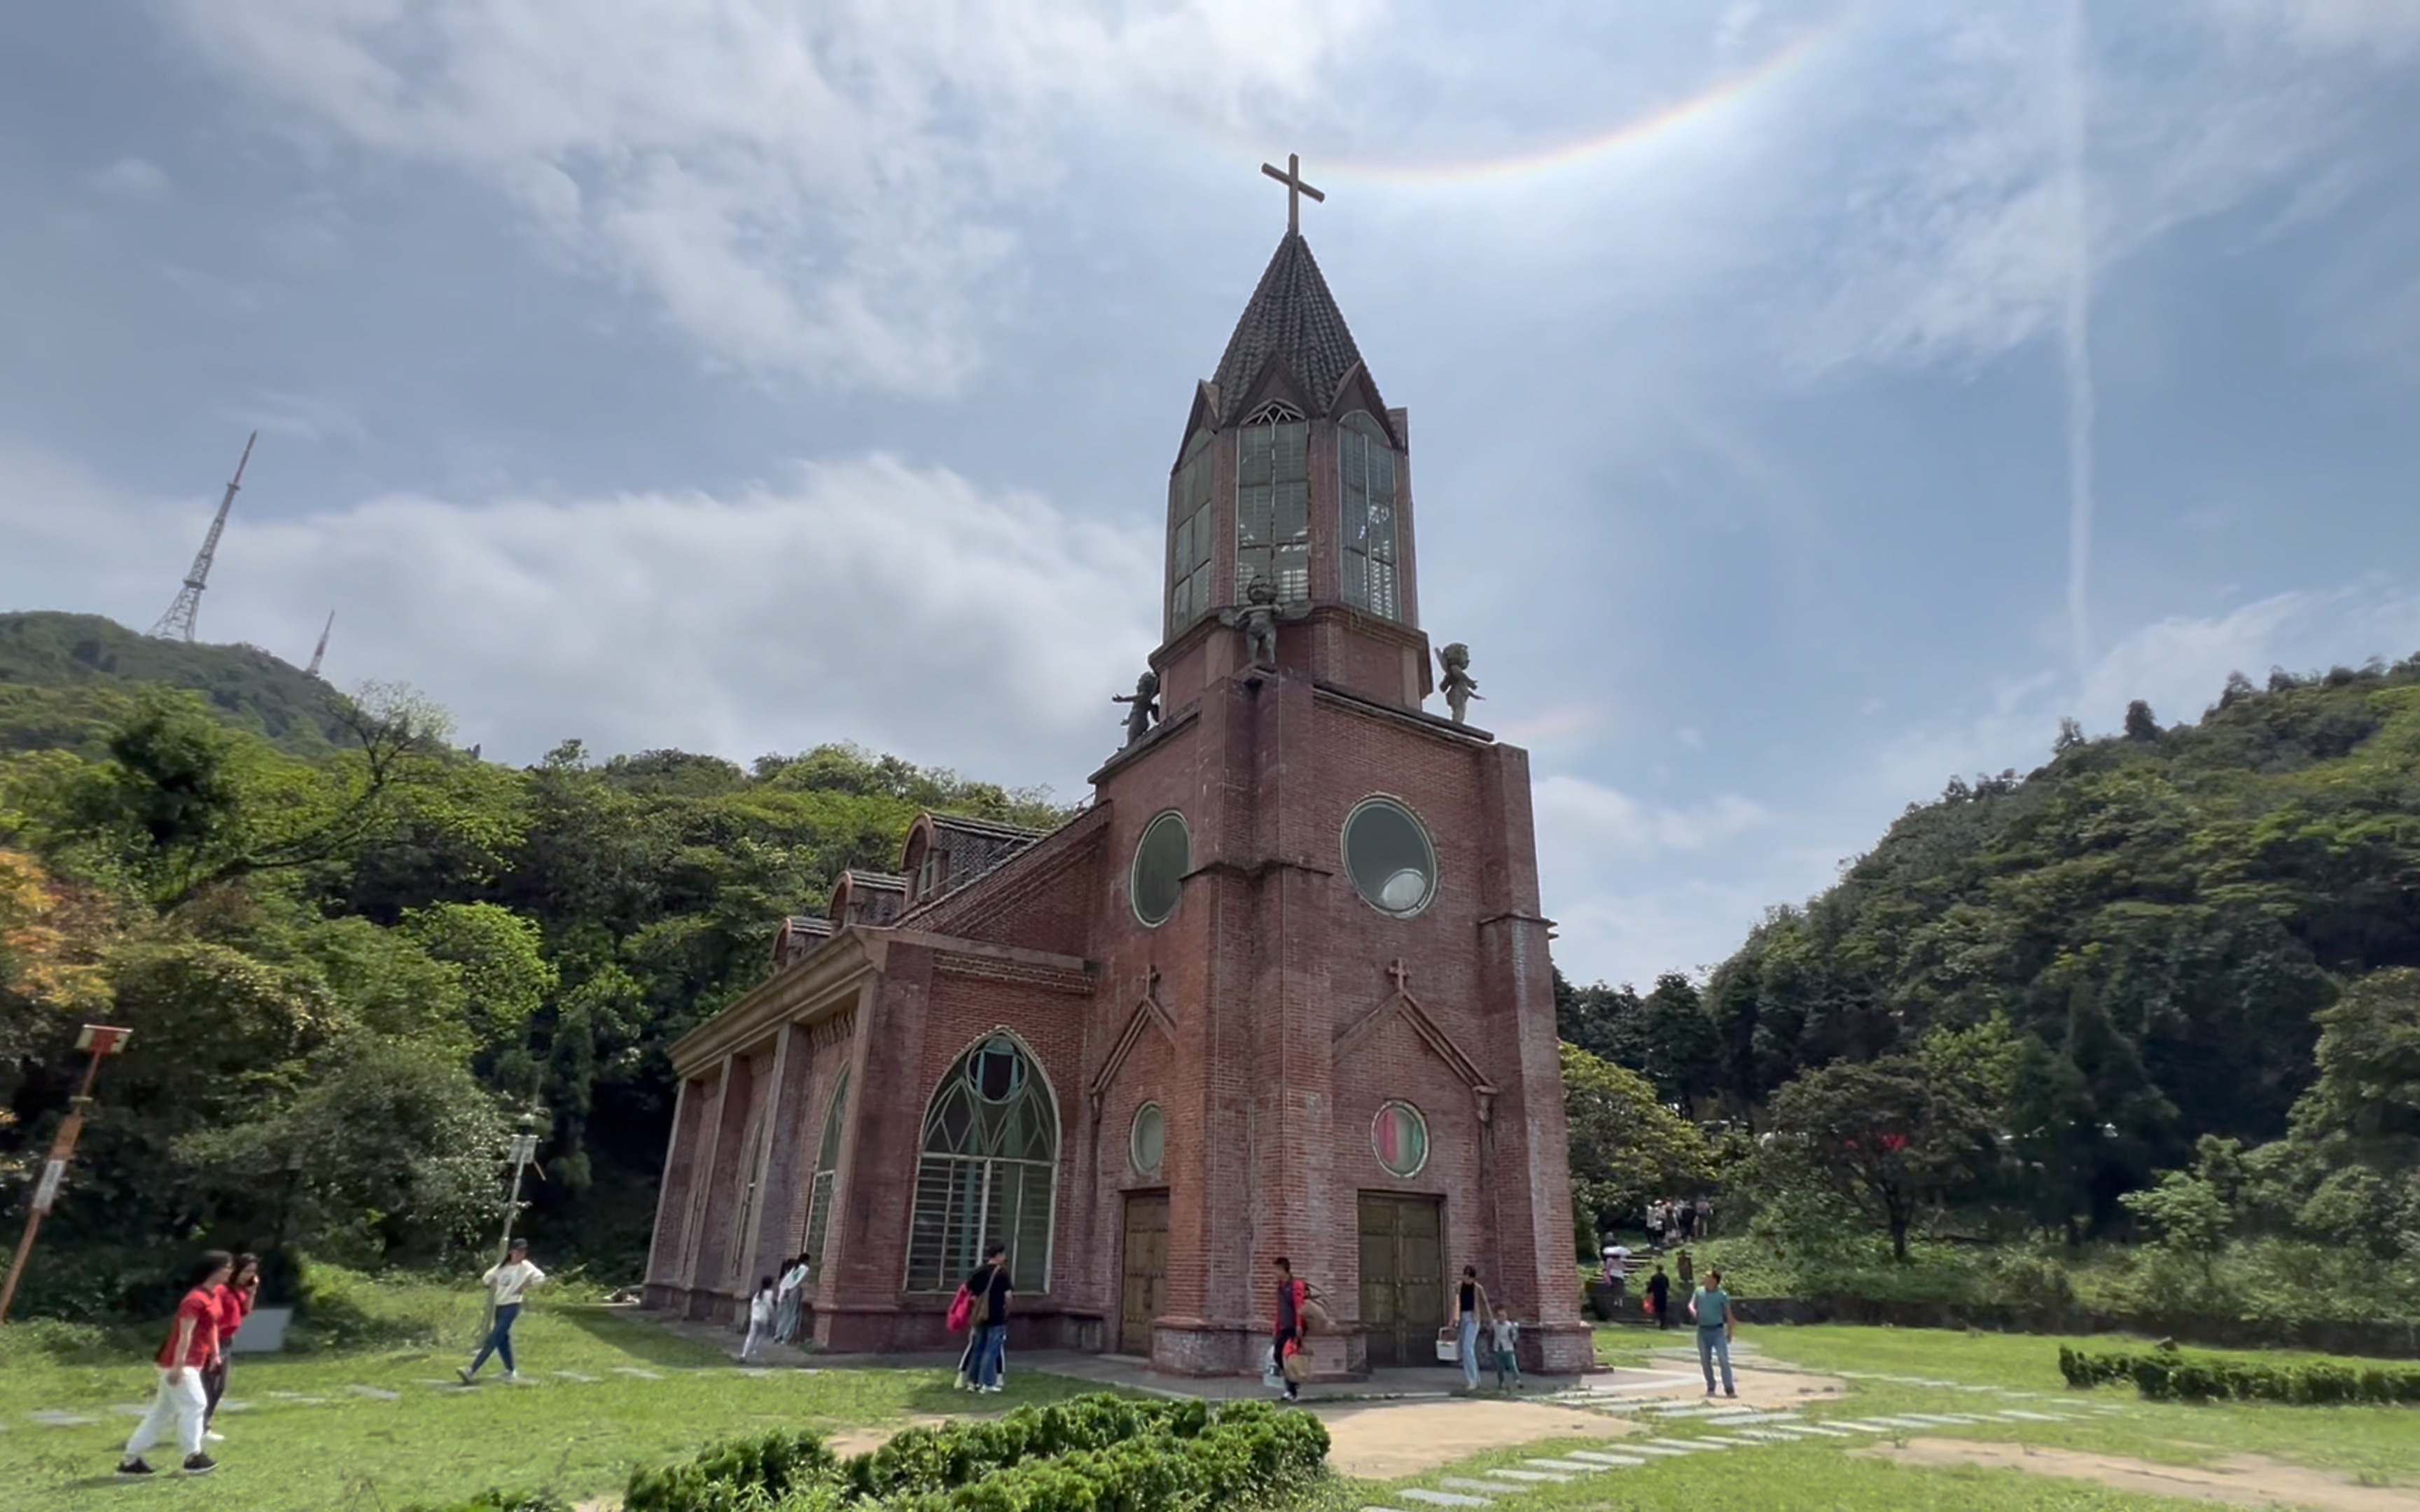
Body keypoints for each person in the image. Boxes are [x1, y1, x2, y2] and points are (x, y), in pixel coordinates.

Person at [118, 1251, 231, 1478]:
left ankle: (131, 1460)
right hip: (180, 1362)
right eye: (227, 1267)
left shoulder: (214, 1295)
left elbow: (212, 1325)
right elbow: (184, 1334)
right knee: (196, 1404)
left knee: (161, 1413)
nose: (231, 1272)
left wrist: (215, 1354)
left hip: (195, 1361)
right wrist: (178, 1367)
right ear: (214, 1270)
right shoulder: (194, 1300)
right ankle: (193, 1457)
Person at [459, 1236, 545, 1384]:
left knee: (494, 1337)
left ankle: (472, 1370)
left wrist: (525, 1285)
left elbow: (540, 1278)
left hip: (512, 1306)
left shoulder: (525, 1267)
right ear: (512, 1252)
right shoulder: (502, 1267)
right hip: (500, 1306)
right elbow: (486, 1278)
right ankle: (511, 1371)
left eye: (523, 1252)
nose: (520, 1254)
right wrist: (493, 1282)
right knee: (502, 1340)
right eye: (518, 1251)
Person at [200, 1252, 259, 1442]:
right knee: (210, 1385)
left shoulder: (239, 1290)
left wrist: (252, 1292)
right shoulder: (221, 1290)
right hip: (214, 1341)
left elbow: (245, 1311)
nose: (250, 1275)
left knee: (219, 1386)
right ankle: (201, 1427)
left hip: (227, 1341)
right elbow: (211, 1318)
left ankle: (204, 1424)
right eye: (246, 1271)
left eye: (253, 1272)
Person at [966, 1243, 1013, 1393]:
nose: (1004, 1258)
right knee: (991, 1350)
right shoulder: (1001, 1273)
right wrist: (1007, 1311)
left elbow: (970, 1294)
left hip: (980, 1315)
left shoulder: (977, 1272)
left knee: (977, 1349)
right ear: (998, 1255)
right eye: (1003, 1255)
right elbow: (1008, 1296)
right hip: (996, 1315)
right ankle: (988, 1383)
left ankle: (973, 1382)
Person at [1688, 1265, 1737, 1399]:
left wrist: (1730, 1332)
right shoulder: (1699, 1292)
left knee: (1723, 1358)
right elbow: (1691, 1304)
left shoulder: (1722, 1295)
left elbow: (1729, 1315)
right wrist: (1693, 1311)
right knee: (1705, 1359)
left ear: (1715, 1281)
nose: (1706, 1279)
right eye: (1706, 1277)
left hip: (1717, 1330)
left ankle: (1729, 1388)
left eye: (1709, 1277)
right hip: (1703, 1330)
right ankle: (1711, 1385)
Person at [1271, 1256, 1307, 1403]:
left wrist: (1299, 1325)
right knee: (1278, 1356)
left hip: (1293, 1328)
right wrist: (1276, 1327)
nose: (1274, 1273)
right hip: (1284, 1327)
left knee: (1289, 1358)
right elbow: (1280, 1309)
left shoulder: (1295, 1286)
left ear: (1283, 1269)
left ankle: (1292, 1390)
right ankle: (1292, 1385)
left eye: (1276, 1269)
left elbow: (1300, 1306)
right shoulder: (1281, 1286)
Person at [1453, 1266, 1489, 1392]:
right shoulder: (1459, 1286)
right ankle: (1472, 1378)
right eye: (1465, 1276)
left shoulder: (1477, 1288)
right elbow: (1455, 1303)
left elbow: (1485, 1303)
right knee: (1464, 1350)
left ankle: (1473, 1381)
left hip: (1473, 1319)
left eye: (1469, 1277)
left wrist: (1489, 1319)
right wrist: (1453, 1318)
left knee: (1467, 1348)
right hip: (1462, 1318)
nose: (1467, 1279)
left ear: (1473, 1278)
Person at [739, 1275, 776, 1362]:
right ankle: (755, 1350)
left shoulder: (758, 1293)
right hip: (763, 1318)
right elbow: (769, 1306)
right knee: (762, 1334)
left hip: (755, 1317)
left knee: (751, 1336)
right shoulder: (769, 1293)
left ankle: (744, 1354)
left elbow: (753, 1305)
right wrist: (772, 1316)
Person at [774, 1254, 807, 1345]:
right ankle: (787, 1337)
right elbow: (796, 1281)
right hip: (792, 1292)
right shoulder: (802, 1269)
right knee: (793, 1315)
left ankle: (778, 1335)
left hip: (784, 1295)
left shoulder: (789, 1274)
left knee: (784, 1316)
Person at [1489, 1312, 1522, 1391]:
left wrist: (1514, 1331)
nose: (1502, 1318)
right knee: (1500, 1367)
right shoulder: (1495, 1324)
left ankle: (1517, 1380)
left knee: (1512, 1365)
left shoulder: (1509, 1326)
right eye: (1500, 1316)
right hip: (1498, 1348)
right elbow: (1491, 1333)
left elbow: (1514, 1337)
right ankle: (1501, 1382)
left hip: (1508, 1348)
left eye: (1503, 1316)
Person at [1645, 1264, 1672, 1331]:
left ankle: (1659, 1322)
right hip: (1663, 1294)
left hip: (1657, 1294)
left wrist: (1648, 1291)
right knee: (1663, 1309)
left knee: (1657, 1309)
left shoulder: (1654, 1277)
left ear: (1657, 1269)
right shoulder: (1665, 1277)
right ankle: (1663, 1323)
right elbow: (1667, 1286)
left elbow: (1652, 1286)